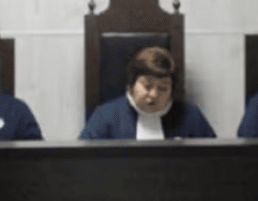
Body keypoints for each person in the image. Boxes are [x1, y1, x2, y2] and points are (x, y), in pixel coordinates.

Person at [80, 46, 215, 140]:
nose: (154, 94)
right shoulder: (105, 116)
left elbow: (214, 161)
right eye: (147, 86)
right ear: (131, 84)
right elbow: (83, 161)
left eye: (163, 88)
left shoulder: (191, 116)